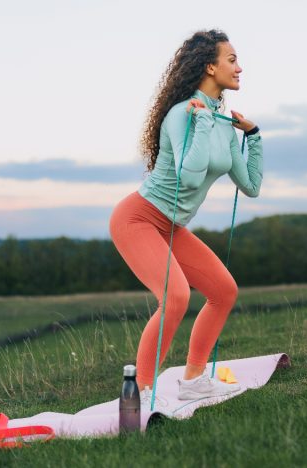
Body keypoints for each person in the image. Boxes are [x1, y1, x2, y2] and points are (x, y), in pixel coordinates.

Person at [109, 29, 263, 401]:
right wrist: (205, 122)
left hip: (171, 227)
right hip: (139, 219)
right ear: (210, 67)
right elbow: (188, 174)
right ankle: (141, 392)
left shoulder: (223, 124)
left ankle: (194, 380)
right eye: (231, 60)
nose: (239, 68)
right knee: (175, 297)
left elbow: (250, 185)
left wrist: (253, 136)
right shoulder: (181, 115)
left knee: (223, 291)